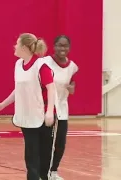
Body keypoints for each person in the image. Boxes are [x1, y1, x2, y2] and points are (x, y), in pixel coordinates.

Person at [0, 33, 58, 180]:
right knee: (31, 153)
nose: (14, 46)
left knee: (45, 153)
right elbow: (19, 90)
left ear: (24, 47)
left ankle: (44, 177)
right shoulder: (18, 65)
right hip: (28, 115)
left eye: (17, 43)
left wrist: (49, 112)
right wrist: (3, 104)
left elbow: (51, 88)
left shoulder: (41, 65)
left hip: (43, 115)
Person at [47, 35, 78, 180]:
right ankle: (43, 171)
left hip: (62, 110)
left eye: (65, 46)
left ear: (69, 48)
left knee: (60, 143)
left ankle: (53, 171)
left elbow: (73, 84)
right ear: (54, 46)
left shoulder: (72, 66)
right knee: (46, 143)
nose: (62, 48)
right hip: (46, 109)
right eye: (59, 45)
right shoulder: (45, 62)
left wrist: (72, 88)